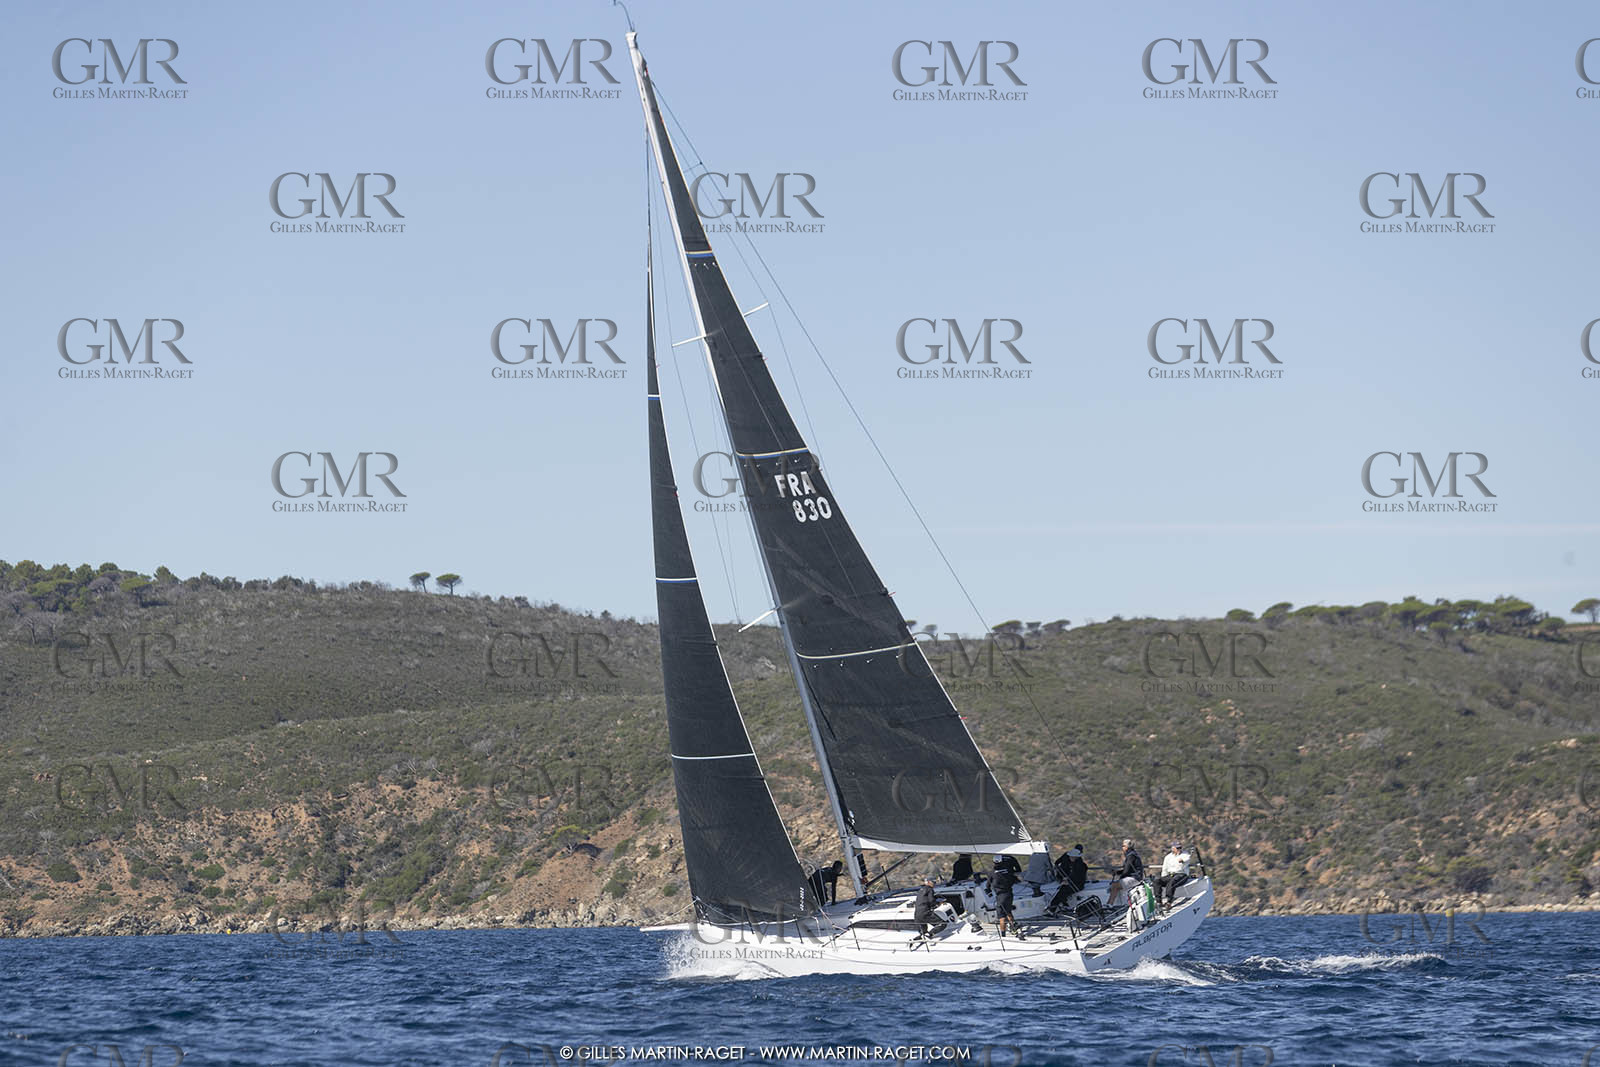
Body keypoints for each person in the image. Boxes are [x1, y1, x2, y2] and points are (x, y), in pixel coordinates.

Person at [1046, 844, 1088, 914]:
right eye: (1070, 857)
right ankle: (1054, 908)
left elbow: (1077, 876)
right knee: (1061, 891)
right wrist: (1063, 877)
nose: (1071, 858)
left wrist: (1067, 880)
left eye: (1073, 857)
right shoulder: (1068, 858)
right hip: (1066, 879)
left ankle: (1056, 907)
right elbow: (1057, 863)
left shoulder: (1080, 865)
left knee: (1063, 892)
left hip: (1076, 884)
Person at [990, 855, 1023, 938]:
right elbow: (1015, 878)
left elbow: (988, 885)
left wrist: (988, 891)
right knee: (1008, 912)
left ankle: (1003, 936)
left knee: (1001, 918)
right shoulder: (1008, 871)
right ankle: (1014, 929)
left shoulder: (993, 872)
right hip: (1009, 894)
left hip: (1000, 897)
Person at [1105, 839, 1144, 908]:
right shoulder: (1131, 854)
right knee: (1115, 885)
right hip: (1134, 876)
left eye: (1123, 846)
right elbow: (1127, 869)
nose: (1122, 847)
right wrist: (1118, 872)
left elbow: (1127, 870)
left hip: (1135, 878)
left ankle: (1110, 904)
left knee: (1115, 885)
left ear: (1127, 847)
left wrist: (1119, 875)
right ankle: (1110, 904)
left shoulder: (1131, 856)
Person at [1154, 842, 1191, 908]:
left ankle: (1169, 902)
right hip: (1171, 874)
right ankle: (1158, 902)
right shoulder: (1168, 857)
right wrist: (1163, 878)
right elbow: (1164, 869)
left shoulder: (1185, 855)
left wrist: (1182, 860)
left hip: (1181, 874)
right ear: (1172, 848)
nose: (1179, 849)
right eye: (1177, 848)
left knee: (1172, 882)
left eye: (1180, 848)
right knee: (1157, 881)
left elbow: (1187, 859)